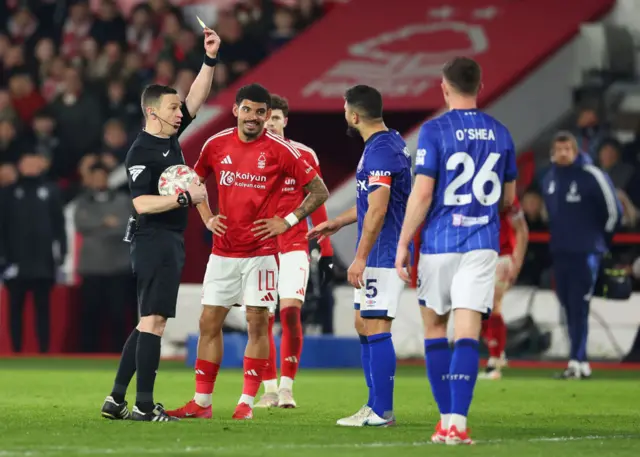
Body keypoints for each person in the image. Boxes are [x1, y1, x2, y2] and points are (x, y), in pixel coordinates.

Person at [167, 83, 329, 420]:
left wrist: (287, 221)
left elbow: (319, 191)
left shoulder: (282, 151)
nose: (253, 117)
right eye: (247, 110)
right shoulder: (216, 144)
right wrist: (207, 217)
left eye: (260, 112)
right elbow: (195, 182)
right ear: (236, 110)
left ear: (268, 115)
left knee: (259, 325)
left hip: (262, 253)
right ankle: (202, 402)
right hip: (224, 252)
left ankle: (247, 401)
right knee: (209, 322)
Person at [394, 57, 517, 445]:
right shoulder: (501, 133)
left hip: (437, 245)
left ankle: (444, 420)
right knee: (468, 333)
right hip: (482, 245)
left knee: (434, 329)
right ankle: (458, 425)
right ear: (479, 87)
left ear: (443, 87)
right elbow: (509, 200)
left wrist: (402, 244)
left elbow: (423, 193)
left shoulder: (433, 131)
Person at [100, 27, 219, 422]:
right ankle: (145, 406)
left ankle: (116, 399)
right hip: (154, 239)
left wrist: (210, 59)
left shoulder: (169, 137)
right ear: (153, 112)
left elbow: (198, 98)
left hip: (167, 239)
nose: (179, 113)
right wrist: (184, 198)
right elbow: (141, 202)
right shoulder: (142, 150)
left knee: (145, 322)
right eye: (172, 109)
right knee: (154, 322)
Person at [308, 85, 412, 427]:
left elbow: (379, 210)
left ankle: (382, 411)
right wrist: (337, 222)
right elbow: (371, 202)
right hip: (379, 248)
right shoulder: (388, 141)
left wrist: (361, 257)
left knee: (376, 325)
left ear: (354, 115)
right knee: (362, 323)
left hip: (383, 250)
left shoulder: (381, 151)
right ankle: (373, 405)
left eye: (344, 108)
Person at [254, 94, 334, 409]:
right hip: (260, 246)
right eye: (266, 118)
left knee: (289, 312)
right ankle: (269, 390)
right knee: (260, 318)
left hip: (294, 243)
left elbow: (320, 200)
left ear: (285, 121)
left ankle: (287, 388)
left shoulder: (304, 154)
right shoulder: (252, 155)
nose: (271, 123)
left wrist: (325, 250)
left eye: (276, 118)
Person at [542, 131, 621, 380]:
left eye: (568, 148)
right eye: (559, 149)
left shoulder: (592, 175)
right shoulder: (549, 177)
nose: (563, 153)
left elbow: (613, 212)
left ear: (575, 151)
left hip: (586, 252)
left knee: (579, 305)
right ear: (553, 152)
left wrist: (599, 243)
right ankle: (577, 360)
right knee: (567, 304)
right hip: (561, 251)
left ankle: (578, 361)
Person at [479, 195, 528, 379]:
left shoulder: (505, 196)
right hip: (474, 257)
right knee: (476, 307)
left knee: (493, 303)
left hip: (501, 257)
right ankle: (496, 350)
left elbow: (522, 230)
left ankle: (495, 359)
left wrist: (516, 263)